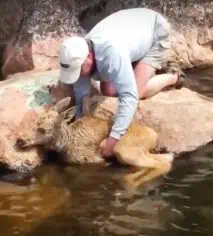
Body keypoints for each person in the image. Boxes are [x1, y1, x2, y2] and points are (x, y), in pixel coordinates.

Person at [57, 8, 186, 158]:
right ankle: (133, 65)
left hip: (156, 32)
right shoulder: (78, 50)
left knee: (137, 92)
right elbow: (81, 95)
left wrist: (112, 141)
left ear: (88, 57)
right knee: (109, 91)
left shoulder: (112, 54)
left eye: (78, 70)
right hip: (132, 31)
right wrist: (78, 130)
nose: (77, 75)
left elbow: (130, 98)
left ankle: (174, 76)